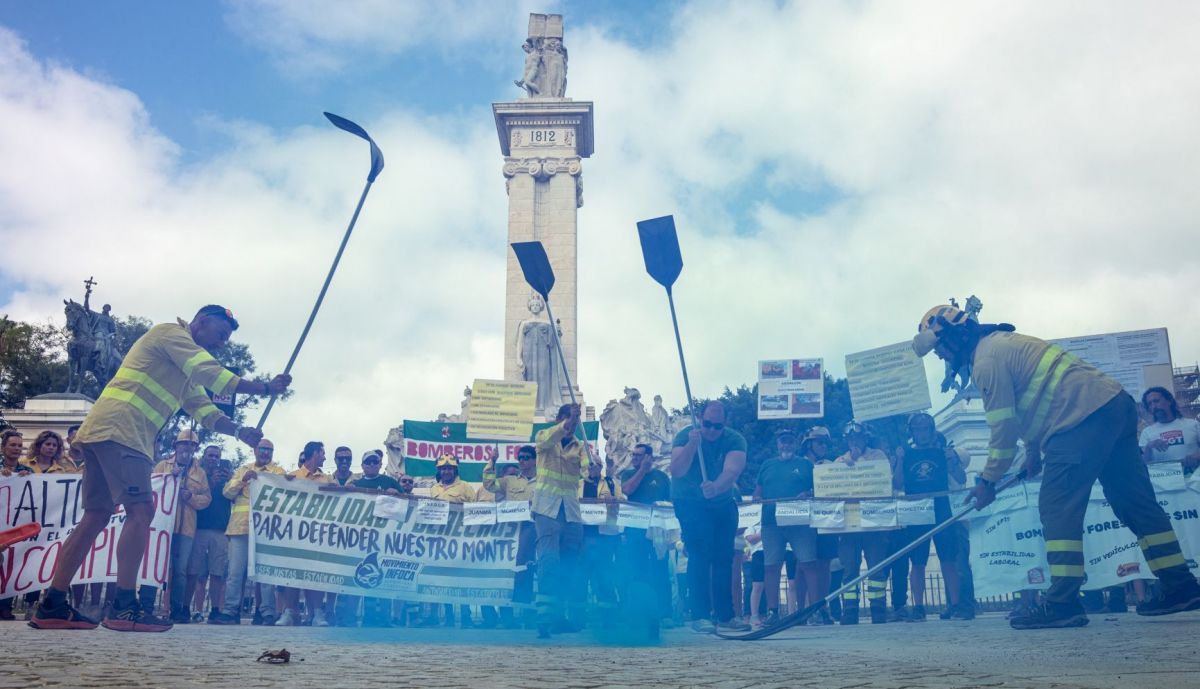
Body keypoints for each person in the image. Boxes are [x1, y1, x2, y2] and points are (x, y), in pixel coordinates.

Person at [914, 303, 1200, 628]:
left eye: (939, 349)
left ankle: (1063, 601)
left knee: (1056, 505)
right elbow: (1032, 405)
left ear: (952, 339)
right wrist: (1034, 452)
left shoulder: (986, 362)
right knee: (1134, 502)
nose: (940, 357)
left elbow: (1003, 429)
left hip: (1079, 419)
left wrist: (988, 481)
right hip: (1115, 406)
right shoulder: (1003, 344)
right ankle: (1180, 585)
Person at [30, 305, 291, 632]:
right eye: (221, 335)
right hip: (125, 433)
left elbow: (206, 411)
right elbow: (215, 375)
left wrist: (240, 432)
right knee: (141, 512)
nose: (222, 343)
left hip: (103, 432)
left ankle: (52, 604)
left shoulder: (184, 365)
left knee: (95, 517)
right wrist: (266, 388)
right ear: (201, 322)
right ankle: (124, 607)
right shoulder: (172, 334)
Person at [670, 401, 750, 633]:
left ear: (725, 424)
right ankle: (700, 615)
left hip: (722, 499)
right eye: (707, 425)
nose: (712, 431)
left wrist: (716, 487)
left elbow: (732, 471)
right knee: (700, 552)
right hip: (688, 500)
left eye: (718, 426)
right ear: (700, 420)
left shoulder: (735, 440)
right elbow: (676, 470)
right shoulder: (686, 435)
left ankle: (726, 615)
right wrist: (692, 446)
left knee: (724, 556)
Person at [894, 413, 967, 622]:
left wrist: (952, 460)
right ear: (912, 432)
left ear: (932, 430)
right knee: (917, 562)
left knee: (948, 559)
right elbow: (897, 484)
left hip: (942, 509)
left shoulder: (942, 452)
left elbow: (961, 478)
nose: (923, 433)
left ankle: (954, 605)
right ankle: (918, 607)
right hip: (916, 511)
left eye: (926, 429)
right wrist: (898, 460)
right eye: (918, 429)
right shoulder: (906, 454)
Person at [209, 438, 288, 626]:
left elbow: (285, 493)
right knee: (235, 573)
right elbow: (227, 493)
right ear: (255, 450)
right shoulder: (243, 470)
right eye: (262, 449)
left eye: (269, 450)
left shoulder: (277, 472)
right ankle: (230, 611)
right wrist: (243, 481)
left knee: (265, 574)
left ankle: (267, 613)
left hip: (266, 530)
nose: (265, 453)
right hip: (240, 528)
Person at [753, 428, 820, 627]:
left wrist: (808, 493)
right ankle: (773, 612)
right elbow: (758, 491)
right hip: (771, 523)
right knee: (771, 566)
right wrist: (757, 497)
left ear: (796, 444)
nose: (786, 445)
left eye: (790, 441)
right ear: (777, 444)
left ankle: (814, 610)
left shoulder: (806, 465)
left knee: (809, 564)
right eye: (783, 441)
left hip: (799, 521)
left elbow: (817, 489)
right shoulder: (767, 465)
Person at [532, 403, 588, 638]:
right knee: (550, 560)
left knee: (569, 564)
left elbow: (586, 470)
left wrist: (593, 469)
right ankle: (545, 617)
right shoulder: (545, 436)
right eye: (570, 420)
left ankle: (564, 615)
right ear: (561, 419)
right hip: (547, 510)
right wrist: (566, 423)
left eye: (576, 421)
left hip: (572, 513)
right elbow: (545, 440)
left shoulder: (582, 446)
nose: (573, 425)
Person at [144, 429, 211, 624]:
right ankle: (146, 605)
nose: (187, 448)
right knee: (155, 565)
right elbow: (152, 488)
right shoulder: (162, 466)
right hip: (162, 525)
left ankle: (178, 609)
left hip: (186, 527)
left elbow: (206, 499)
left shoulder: (200, 473)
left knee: (180, 570)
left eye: (192, 445)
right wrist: (169, 478)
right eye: (184, 444)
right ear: (176, 446)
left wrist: (191, 497)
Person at [834, 421, 893, 624]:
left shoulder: (878, 456)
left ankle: (878, 609)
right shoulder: (839, 461)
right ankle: (850, 610)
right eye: (851, 439)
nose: (854, 441)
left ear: (865, 438)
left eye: (858, 438)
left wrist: (858, 462)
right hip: (849, 524)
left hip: (874, 522)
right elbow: (831, 485)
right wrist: (850, 461)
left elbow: (884, 478)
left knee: (876, 566)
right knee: (849, 567)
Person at [279, 441, 334, 626]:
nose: (325, 457)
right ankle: (290, 612)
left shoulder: (326, 480)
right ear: (315, 453)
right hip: (294, 533)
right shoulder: (291, 477)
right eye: (323, 453)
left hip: (317, 534)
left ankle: (317, 614)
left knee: (315, 573)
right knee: (291, 573)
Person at [483, 445, 538, 628]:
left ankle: (531, 617)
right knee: (512, 573)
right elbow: (489, 484)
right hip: (514, 533)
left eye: (526, 457)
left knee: (533, 573)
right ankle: (509, 617)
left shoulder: (545, 481)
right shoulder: (509, 481)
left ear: (534, 460)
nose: (522, 460)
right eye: (520, 457)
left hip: (537, 531)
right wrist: (492, 460)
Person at [619, 443, 673, 625]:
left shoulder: (662, 477)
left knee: (660, 569)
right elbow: (627, 490)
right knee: (637, 569)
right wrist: (642, 470)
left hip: (658, 530)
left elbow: (670, 501)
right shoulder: (627, 474)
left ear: (649, 457)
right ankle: (639, 610)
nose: (634, 458)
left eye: (639, 455)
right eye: (633, 455)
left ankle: (665, 612)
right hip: (635, 530)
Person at [188, 447, 231, 623]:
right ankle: (192, 609)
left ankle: (214, 610)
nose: (214, 459)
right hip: (199, 528)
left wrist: (230, 480)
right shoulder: (198, 475)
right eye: (211, 455)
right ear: (204, 457)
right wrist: (211, 483)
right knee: (196, 572)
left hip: (220, 530)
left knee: (217, 573)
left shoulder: (228, 478)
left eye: (217, 456)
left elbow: (235, 496)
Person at [578, 458, 624, 624]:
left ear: (601, 466)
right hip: (583, 537)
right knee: (580, 576)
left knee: (603, 575)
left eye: (596, 464)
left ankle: (608, 616)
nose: (593, 468)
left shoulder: (611, 483)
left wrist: (613, 501)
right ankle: (578, 616)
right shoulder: (578, 485)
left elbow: (622, 501)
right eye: (590, 465)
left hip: (605, 537)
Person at [1140, 387, 1200, 475]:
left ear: (1169, 401)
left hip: (1194, 481)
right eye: (1150, 404)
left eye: (1156, 401)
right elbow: (1142, 464)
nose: (1154, 406)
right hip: (1164, 484)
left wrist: (1197, 456)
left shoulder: (1193, 425)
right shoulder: (1146, 433)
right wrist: (1148, 447)